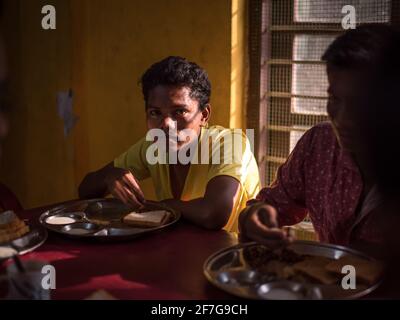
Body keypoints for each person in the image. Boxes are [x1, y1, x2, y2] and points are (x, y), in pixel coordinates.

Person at [239, 25, 400, 248]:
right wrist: (255, 218)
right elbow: (269, 205)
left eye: (361, 103)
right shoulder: (320, 145)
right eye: (334, 99)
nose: (342, 120)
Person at [79, 56, 260, 232]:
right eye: (155, 113)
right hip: (187, 252)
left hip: (234, 257)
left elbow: (214, 214)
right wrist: (108, 176)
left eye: (179, 112)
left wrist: (166, 206)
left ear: (204, 115)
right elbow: (85, 191)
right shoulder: (152, 146)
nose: (165, 124)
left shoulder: (230, 143)